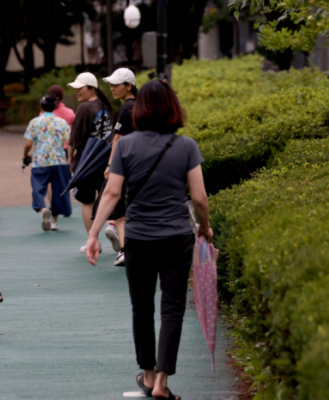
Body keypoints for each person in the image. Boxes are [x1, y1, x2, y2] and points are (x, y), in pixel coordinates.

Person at [85, 79, 214, 400]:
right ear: (173, 108)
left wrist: (93, 233)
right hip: (176, 238)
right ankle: (162, 383)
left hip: (139, 238)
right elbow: (199, 197)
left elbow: (113, 192)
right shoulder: (186, 146)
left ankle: (148, 373)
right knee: (172, 309)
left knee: (141, 309)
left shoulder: (125, 145)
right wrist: (205, 227)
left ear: (139, 110)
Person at [95, 68, 138, 267]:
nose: (111, 88)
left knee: (120, 211)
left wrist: (111, 165)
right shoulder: (138, 105)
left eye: (116, 85)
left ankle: (124, 250)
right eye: (110, 84)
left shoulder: (126, 108)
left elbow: (118, 139)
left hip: (125, 163)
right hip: (138, 163)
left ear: (129, 86)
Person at [66, 72, 113, 252]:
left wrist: (70, 157)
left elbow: (74, 137)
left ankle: (93, 241)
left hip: (86, 160)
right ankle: (113, 228)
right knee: (108, 199)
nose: (77, 91)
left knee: (87, 202)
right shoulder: (105, 105)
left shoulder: (84, 107)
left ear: (92, 88)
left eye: (80, 88)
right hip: (105, 159)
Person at [23, 92, 72, 231]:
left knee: (38, 188)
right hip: (59, 161)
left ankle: (42, 208)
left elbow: (28, 144)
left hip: (40, 162)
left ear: (41, 106)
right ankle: (54, 221)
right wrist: (70, 159)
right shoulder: (62, 122)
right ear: (55, 106)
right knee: (57, 191)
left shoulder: (35, 122)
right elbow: (68, 142)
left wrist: (25, 155)